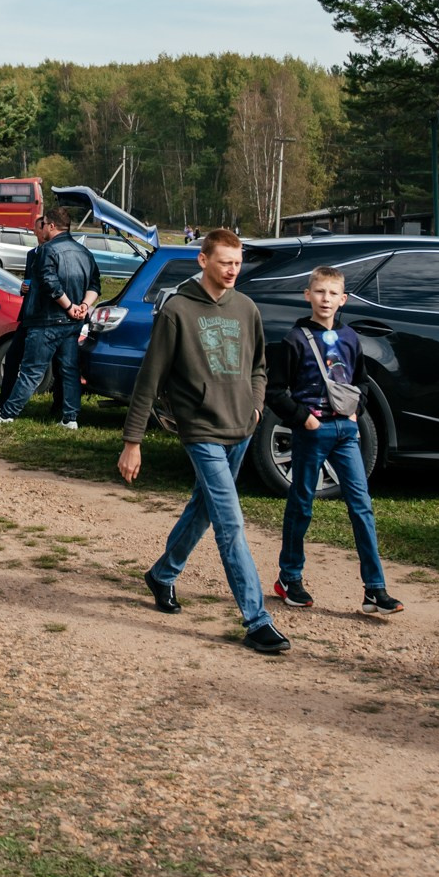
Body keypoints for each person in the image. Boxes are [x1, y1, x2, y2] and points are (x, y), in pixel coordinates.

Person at [117, 229, 286, 655]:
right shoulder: (177, 310)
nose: (232, 270)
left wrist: (255, 408)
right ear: (203, 260)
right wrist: (132, 441)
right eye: (225, 262)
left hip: (241, 428)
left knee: (204, 508)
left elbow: (259, 367)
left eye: (237, 263)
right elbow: (149, 379)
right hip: (201, 431)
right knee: (231, 524)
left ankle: (162, 574)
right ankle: (256, 620)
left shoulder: (246, 308)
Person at [266, 264, 403, 617]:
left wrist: (357, 410)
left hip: (346, 433)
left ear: (343, 299)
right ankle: (289, 578)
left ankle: (375, 589)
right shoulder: (294, 340)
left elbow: (361, 381)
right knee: (302, 504)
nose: (325, 299)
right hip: (312, 433)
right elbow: (275, 391)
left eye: (332, 294)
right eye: (319, 292)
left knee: (362, 506)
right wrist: (304, 418)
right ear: (307, 295)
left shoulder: (350, 338)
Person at [0, 208, 98, 427]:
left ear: (51, 226)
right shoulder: (84, 252)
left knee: (31, 371)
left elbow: (49, 282)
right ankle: (70, 418)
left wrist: (70, 306)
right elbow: (95, 285)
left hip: (46, 320)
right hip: (73, 322)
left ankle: (6, 414)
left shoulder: (47, 250)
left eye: (43, 224)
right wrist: (83, 306)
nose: (41, 228)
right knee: (69, 370)